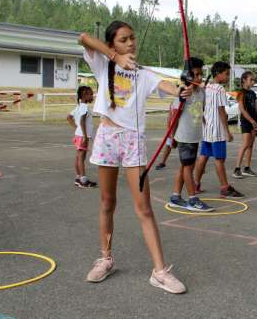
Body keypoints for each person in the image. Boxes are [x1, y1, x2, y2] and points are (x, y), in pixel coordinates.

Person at [79, 21, 187, 294]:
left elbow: (168, 86)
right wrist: (115, 57)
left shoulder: (143, 73)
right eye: (124, 39)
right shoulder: (104, 65)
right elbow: (83, 37)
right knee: (107, 201)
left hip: (132, 142)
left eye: (132, 38)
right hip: (107, 136)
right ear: (113, 43)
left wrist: (183, 89)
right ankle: (105, 259)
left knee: (145, 208)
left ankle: (160, 272)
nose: (131, 43)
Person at [167, 57, 214, 212]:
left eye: (201, 74)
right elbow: (174, 116)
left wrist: (204, 121)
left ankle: (175, 196)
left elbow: (201, 110)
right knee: (188, 167)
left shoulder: (201, 92)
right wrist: (171, 137)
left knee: (184, 166)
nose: (200, 78)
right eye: (196, 75)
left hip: (194, 135)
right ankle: (192, 198)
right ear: (187, 76)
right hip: (184, 135)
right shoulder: (183, 94)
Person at [194, 61, 244, 198]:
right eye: (226, 74)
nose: (228, 77)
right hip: (217, 130)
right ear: (218, 73)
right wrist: (227, 131)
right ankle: (224, 187)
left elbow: (201, 106)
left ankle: (196, 184)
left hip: (207, 130)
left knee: (203, 156)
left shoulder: (207, 87)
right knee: (219, 159)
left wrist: (204, 121)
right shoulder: (220, 89)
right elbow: (221, 110)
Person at [67, 85, 97, 188]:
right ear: (84, 95)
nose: (92, 96)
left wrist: (77, 128)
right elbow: (82, 121)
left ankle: (78, 178)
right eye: (91, 94)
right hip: (83, 136)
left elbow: (69, 117)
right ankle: (83, 180)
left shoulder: (79, 106)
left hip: (79, 134)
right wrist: (84, 135)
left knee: (79, 156)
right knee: (81, 157)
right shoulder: (84, 107)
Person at [233, 71, 257, 179]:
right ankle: (237, 169)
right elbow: (242, 110)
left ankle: (247, 168)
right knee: (245, 144)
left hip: (254, 121)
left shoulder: (252, 93)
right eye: (251, 79)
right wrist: (251, 120)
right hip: (246, 121)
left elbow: (256, 106)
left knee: (251, 145)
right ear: (244, 80)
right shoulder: (240, 93)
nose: (253, 82)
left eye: (254, 80)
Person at [155, 106, 177, 170]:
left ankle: (187, 164)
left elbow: (175, 120)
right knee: (168, 145)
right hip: (172, 129)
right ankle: (163, 162)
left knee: (183, 147)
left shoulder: (180, 104)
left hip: (179, 130)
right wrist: (168, 128)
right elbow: (169, 117)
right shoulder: (173, 103)